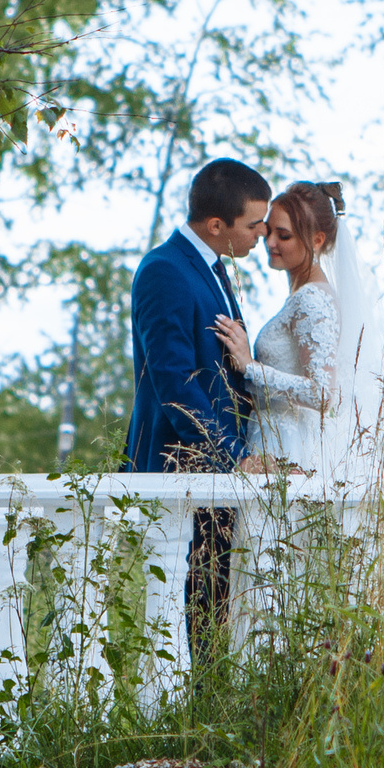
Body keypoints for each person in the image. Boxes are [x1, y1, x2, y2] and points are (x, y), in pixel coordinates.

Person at [126, 156, 270, 658]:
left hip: (219, 473)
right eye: (254, 225)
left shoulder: (210, 269)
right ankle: (186, 724)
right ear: (216, 224)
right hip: (184, 465)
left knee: (215, 603)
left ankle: (211, 710)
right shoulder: (164, 271)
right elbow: (174, 383)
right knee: (189, 611)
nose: (262, 235)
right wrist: (233, 455)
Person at [213, 180, 343, 476]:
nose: (269, 242)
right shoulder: (300, 296)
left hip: (287, 447)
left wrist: (250, 366)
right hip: (272, 441)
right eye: (269, 230)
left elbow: (322, 394)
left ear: (317, 240)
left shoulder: (313, 299)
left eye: (283, 235)